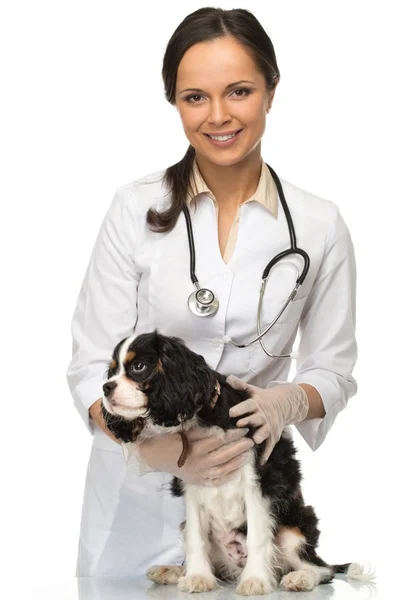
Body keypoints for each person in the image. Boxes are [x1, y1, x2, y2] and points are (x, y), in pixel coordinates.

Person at [66, 7, 357, 578]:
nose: (218, 116)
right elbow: (87, 367)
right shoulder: (133, 209)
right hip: (139, 511)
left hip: (253, 516)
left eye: (240, 91)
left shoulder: (320, 226)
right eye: (194, 96)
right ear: (174, 101)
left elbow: (335, 370)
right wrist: (159, 451)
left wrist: (287, 402)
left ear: (272, 91)